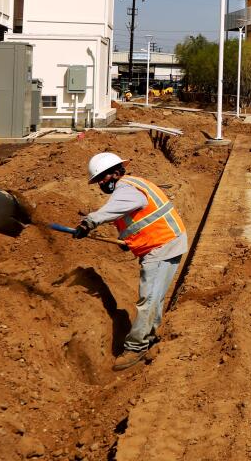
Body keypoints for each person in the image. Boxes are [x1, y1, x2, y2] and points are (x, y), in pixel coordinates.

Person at [76, 152, 188, 371]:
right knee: (154, 297)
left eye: (103, 178)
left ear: (116, 172)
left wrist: (89, 222)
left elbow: (117, 208)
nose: (101, 183)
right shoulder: (134, 184)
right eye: (98, 180)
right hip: (165, 242)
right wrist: (128, 240)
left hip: (161, 246)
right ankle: (150, 336)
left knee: (148, 299)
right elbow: (142, 216)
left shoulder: (126, 189)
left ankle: (136, 347)